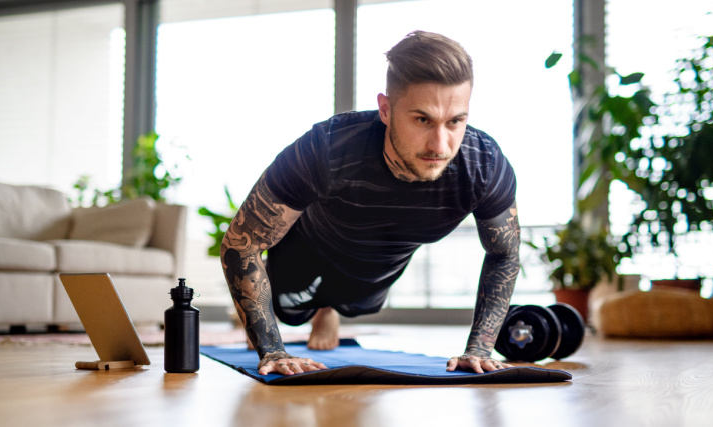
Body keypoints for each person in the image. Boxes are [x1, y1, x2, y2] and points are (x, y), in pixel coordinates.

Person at [221, 30, 520, 376]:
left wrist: (480, 348)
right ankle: (306, 312)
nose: (440, 144)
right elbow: (241, 244)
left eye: (455, 121)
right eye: (422, 119)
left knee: (359, 304)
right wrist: (271, 348)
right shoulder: (328, 148)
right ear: (386, 109)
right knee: (285, 310)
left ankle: (328, 310)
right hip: (308, 247)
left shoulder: (483, 165)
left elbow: (505, 253)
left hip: (377, 266)